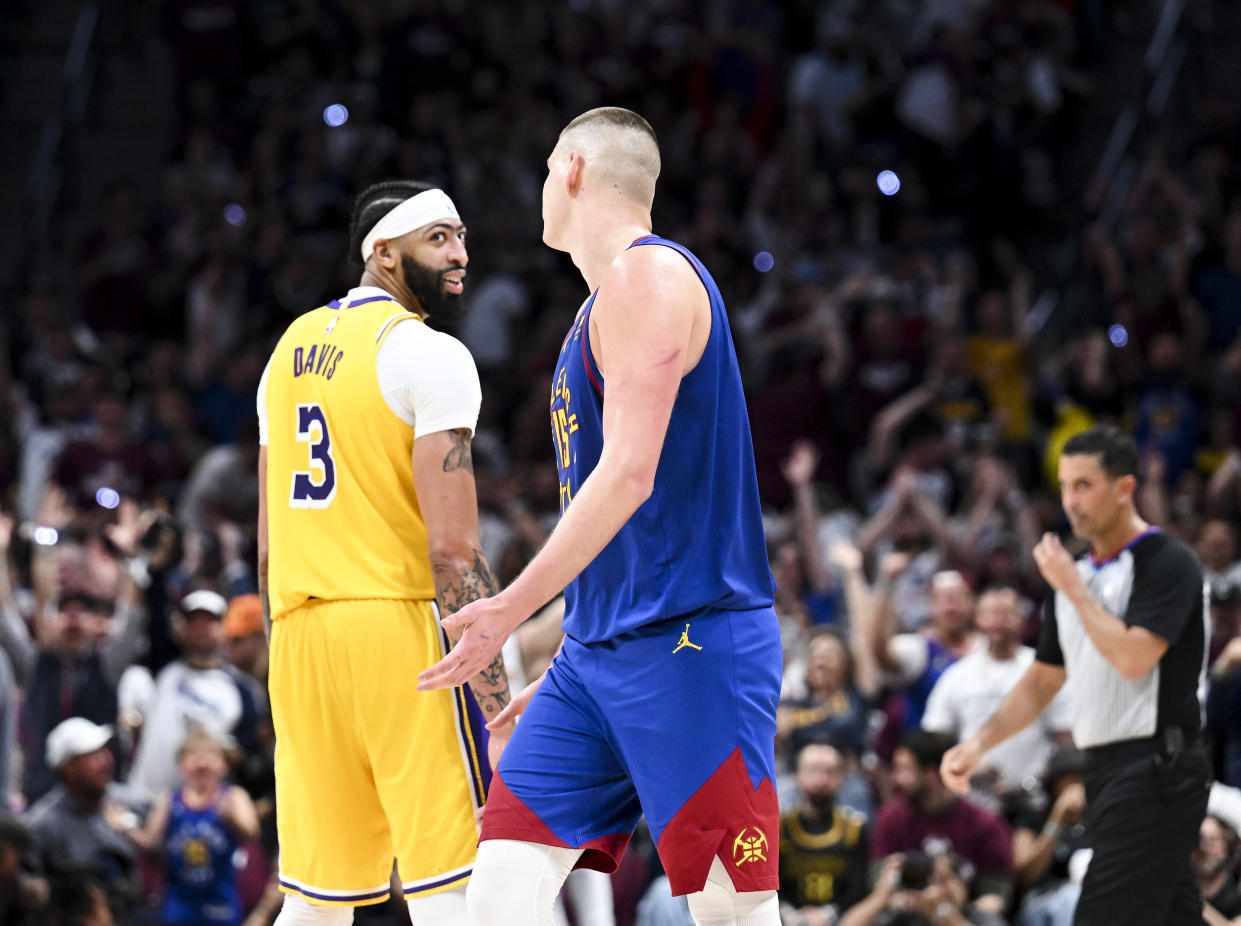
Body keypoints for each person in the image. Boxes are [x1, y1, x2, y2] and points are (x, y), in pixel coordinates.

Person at [418, 107, 783, 926]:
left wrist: (508, 609)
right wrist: (567, 653)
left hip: (692, 639)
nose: (544, 185)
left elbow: (627, 478)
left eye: (548, 168)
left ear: (573, 167)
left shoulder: (646, 278)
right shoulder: (593, 310)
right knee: (498, 898)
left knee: (733, 914)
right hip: (594, 661)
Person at [257, 179, 512, 923]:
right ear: (383, 252)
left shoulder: (287, 349)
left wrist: (291, 661)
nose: (460, 253)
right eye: (437, 238)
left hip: (300, 637)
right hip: (400, 636)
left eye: (461, 235)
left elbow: (269, 543)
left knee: (315, 903)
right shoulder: (428, 354)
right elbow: (455, 553)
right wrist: (496, 705)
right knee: (452, 888)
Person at [942, 424, 1212, 925]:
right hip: (1106, 770)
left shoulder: (1167, 561)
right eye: (1064, 486)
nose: (1070, 501)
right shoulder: (1075, 574)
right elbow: (1044, 679)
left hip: (1158, 767)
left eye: (1084, 485)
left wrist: (1072, 589)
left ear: (1125, 487)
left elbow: (1133, 658)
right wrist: (978, 745)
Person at [922, 586, 1072, 795]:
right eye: (989, 613)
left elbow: (1065, 735)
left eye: (1005, 613)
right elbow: (934, 736)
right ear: (977, 619)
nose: (997, 621)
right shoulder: (957, 675)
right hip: (973, 794)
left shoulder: (1041, 670)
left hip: (1033, 792)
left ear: (1021, 618)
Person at [127, 589, 261, 802]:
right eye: (194, 622)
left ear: (224, 628)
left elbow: (248, 749)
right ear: (182, 629)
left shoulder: (242, 689)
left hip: (199, 812)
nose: (201, 629)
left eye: (210, 622)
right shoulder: (162, 668)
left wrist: (229, 751)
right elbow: (155, 612)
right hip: (146, 798)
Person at [871, 731, 1014, 914]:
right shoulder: (890, 818)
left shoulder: (985, 823)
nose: (895, 778)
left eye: (904, 770)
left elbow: (997, 894)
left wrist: (952, 911)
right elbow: (875, 883)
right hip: (903, 913)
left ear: (931, 774)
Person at [128, 729, 260, 926]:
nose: (202, 761)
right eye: (193, 755)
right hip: (179, 904)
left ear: (224, 765)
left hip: (221, 904)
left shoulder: (233, 796)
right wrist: (122, 826)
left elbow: (253, 832)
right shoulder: (169, 800)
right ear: (181, 766)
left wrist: (232, 819)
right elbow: (149, 841)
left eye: (210, 755)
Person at [24, 718, 140, 918]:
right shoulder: (43, 825)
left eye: (105, 751)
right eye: (93, 755)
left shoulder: (123, 803)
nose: (106, 761)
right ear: (68, 766)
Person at [777, 743, 868, 924]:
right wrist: (790, 915)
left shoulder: (855, 828)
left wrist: (828, 914)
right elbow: (769, 885)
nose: (821, 779)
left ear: (841, 777)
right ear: (797, 774)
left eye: (830, 771)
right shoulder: (779, 828)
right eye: (813, 770)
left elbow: (859, 888)